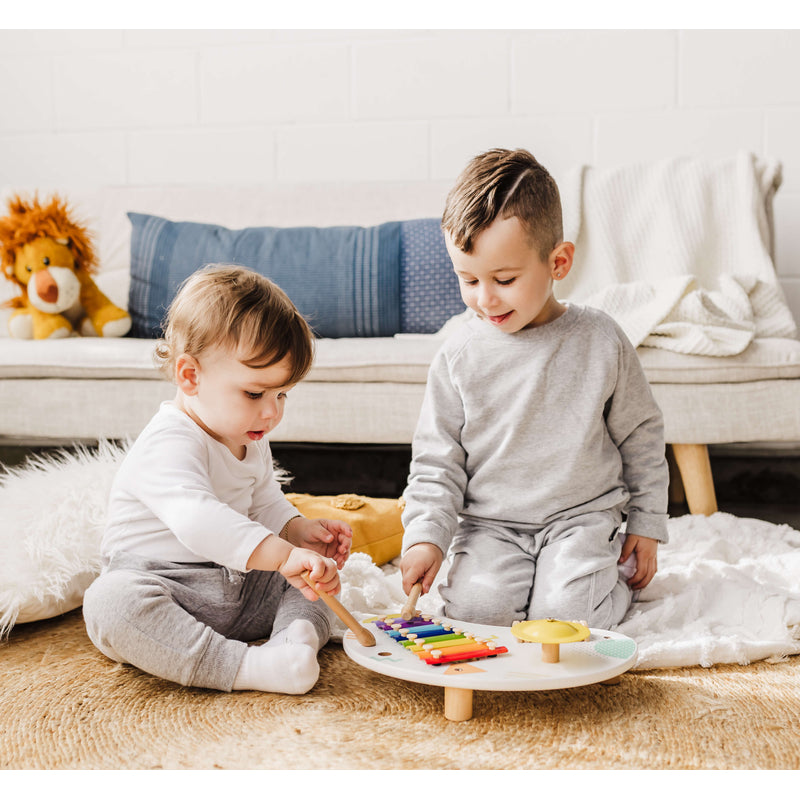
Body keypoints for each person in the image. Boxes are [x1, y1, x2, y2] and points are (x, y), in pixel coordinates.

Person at [400, 148, 668, 630]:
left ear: (558, 262)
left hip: (581, 520)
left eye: (504, 279)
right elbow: (437, 461)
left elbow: (641, 434)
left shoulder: (601, 340)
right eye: (468, 279)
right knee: (477, 613)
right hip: (492, 527)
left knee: (566, 618)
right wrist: (426, 537)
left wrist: (646, 524)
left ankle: (607, 584)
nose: (485, 299)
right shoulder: (458, 354)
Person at [83, 265, 352, 695]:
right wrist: (283, 555)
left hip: (237, 587)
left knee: (320, 580)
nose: (272, 412)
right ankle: (247, 667)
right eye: (255, 393)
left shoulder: (247, 434)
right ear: (190, 376)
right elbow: (199, 521)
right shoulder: (168, 442)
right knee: (109, 604)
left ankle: (295, 638)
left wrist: (297, 531)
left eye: (281, 394)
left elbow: (264, 501)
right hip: (166, 586)